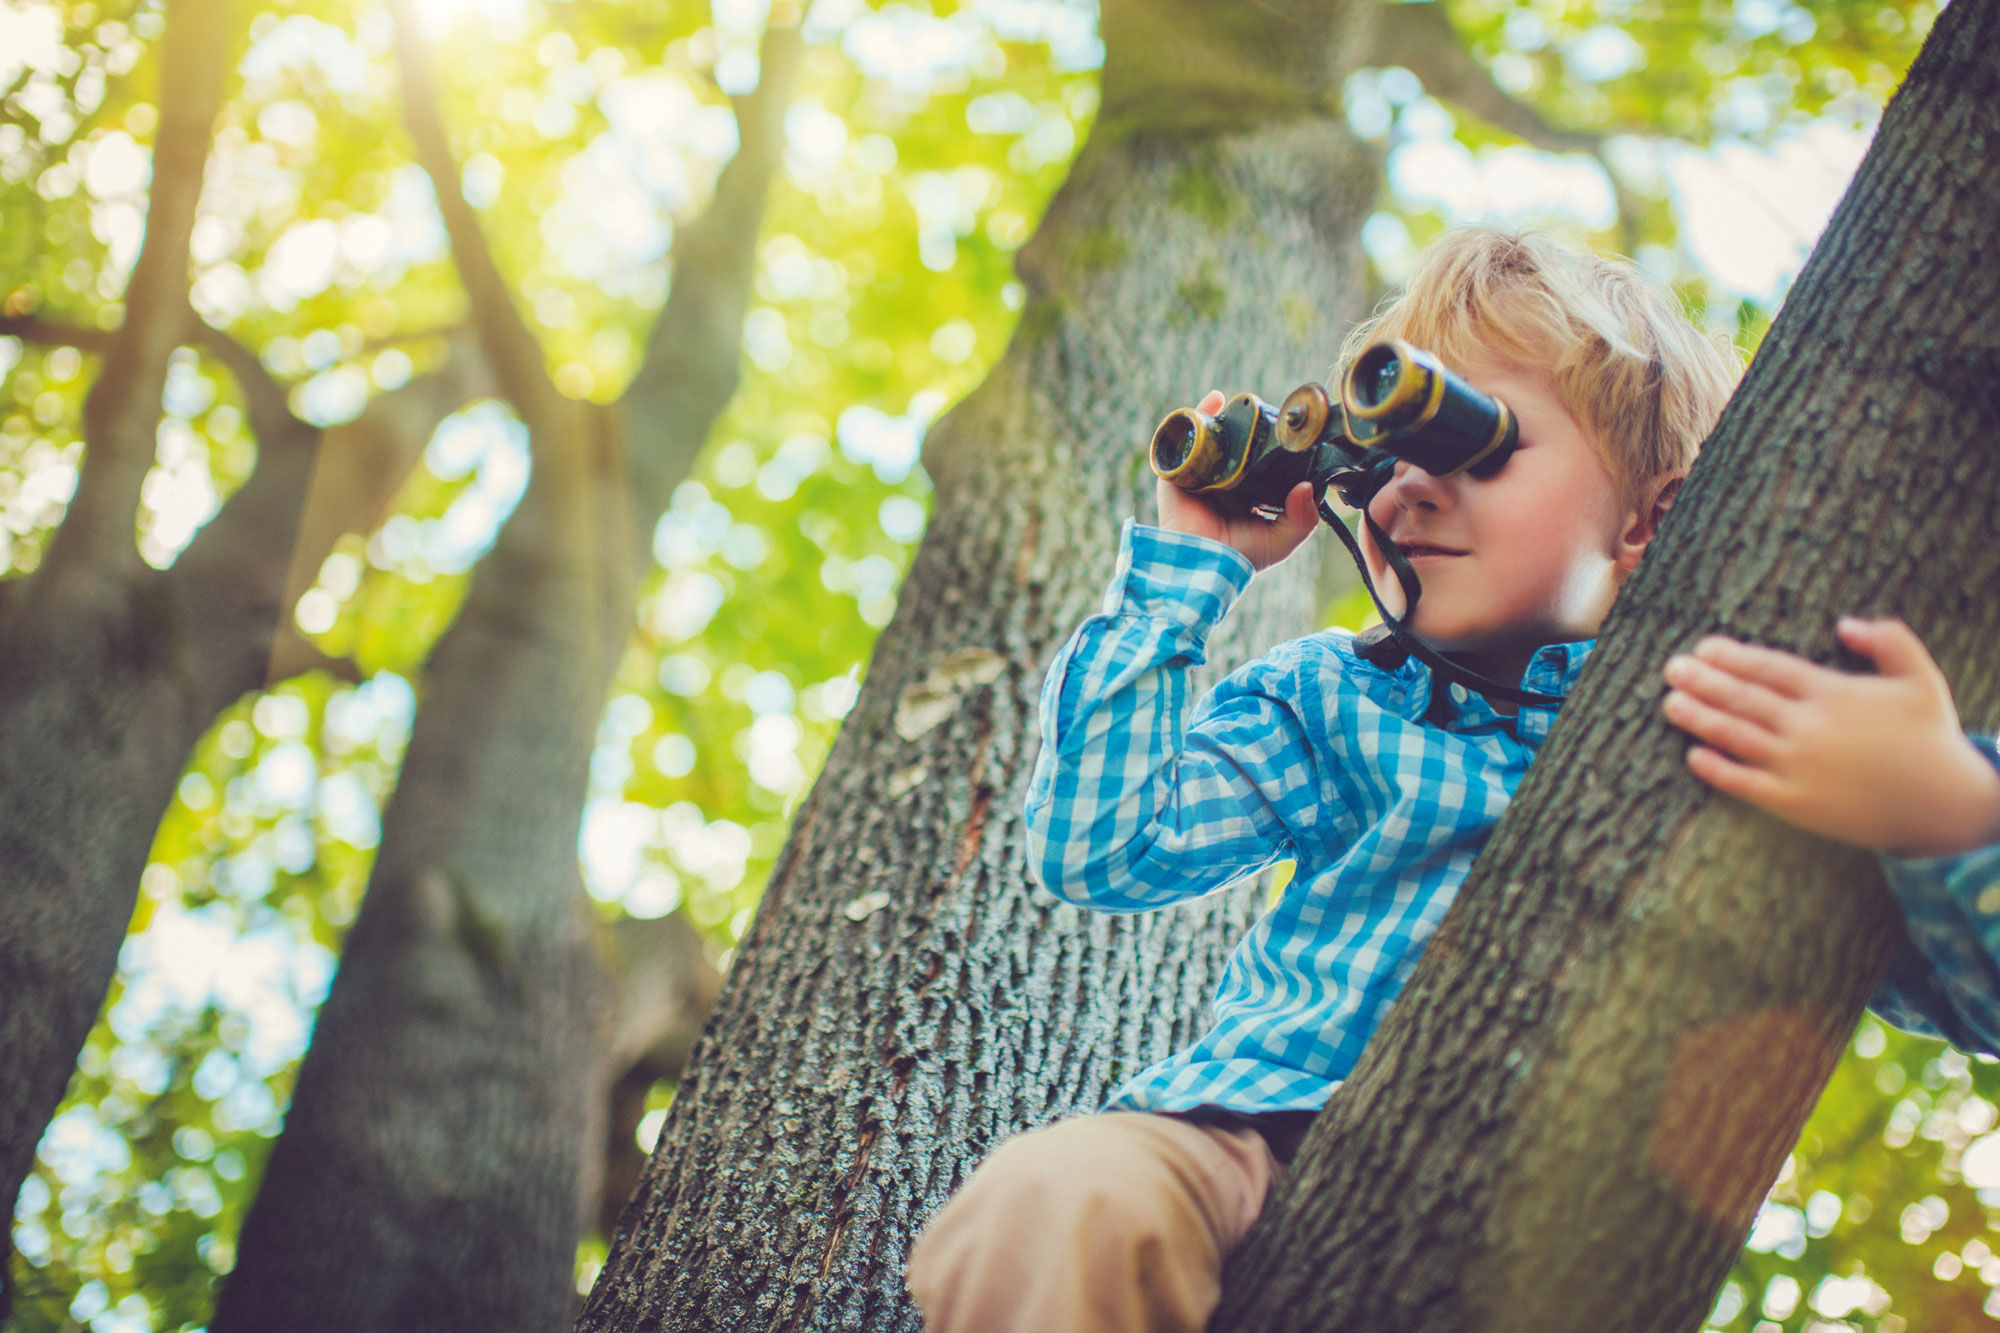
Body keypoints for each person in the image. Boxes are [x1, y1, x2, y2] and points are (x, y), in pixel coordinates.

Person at [902, 227, 2000, 1333]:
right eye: (1378, 462)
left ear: (1649, 518)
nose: (1403, 493)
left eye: (1472, 439)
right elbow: (1100, 849)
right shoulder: (1338, 695)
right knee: (1056, 1201)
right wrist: (1190, 571)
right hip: (1251, 1147)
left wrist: (1941, 804)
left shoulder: (1750, 740)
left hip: (1542, 1243)